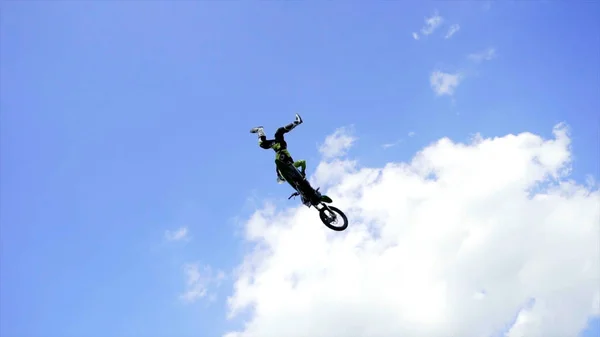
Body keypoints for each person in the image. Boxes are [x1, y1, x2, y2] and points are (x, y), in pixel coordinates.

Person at [250, 114, 332, 206]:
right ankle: (260, 130)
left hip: (281, 149)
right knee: (263, 144)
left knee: (278, 132)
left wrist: (303, 172)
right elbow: (300, 165)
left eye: (281, 177)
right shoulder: (289, 174)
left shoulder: (290, 165)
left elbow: (302, 162)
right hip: (278, 149)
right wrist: (299, 191)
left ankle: (297, 122)